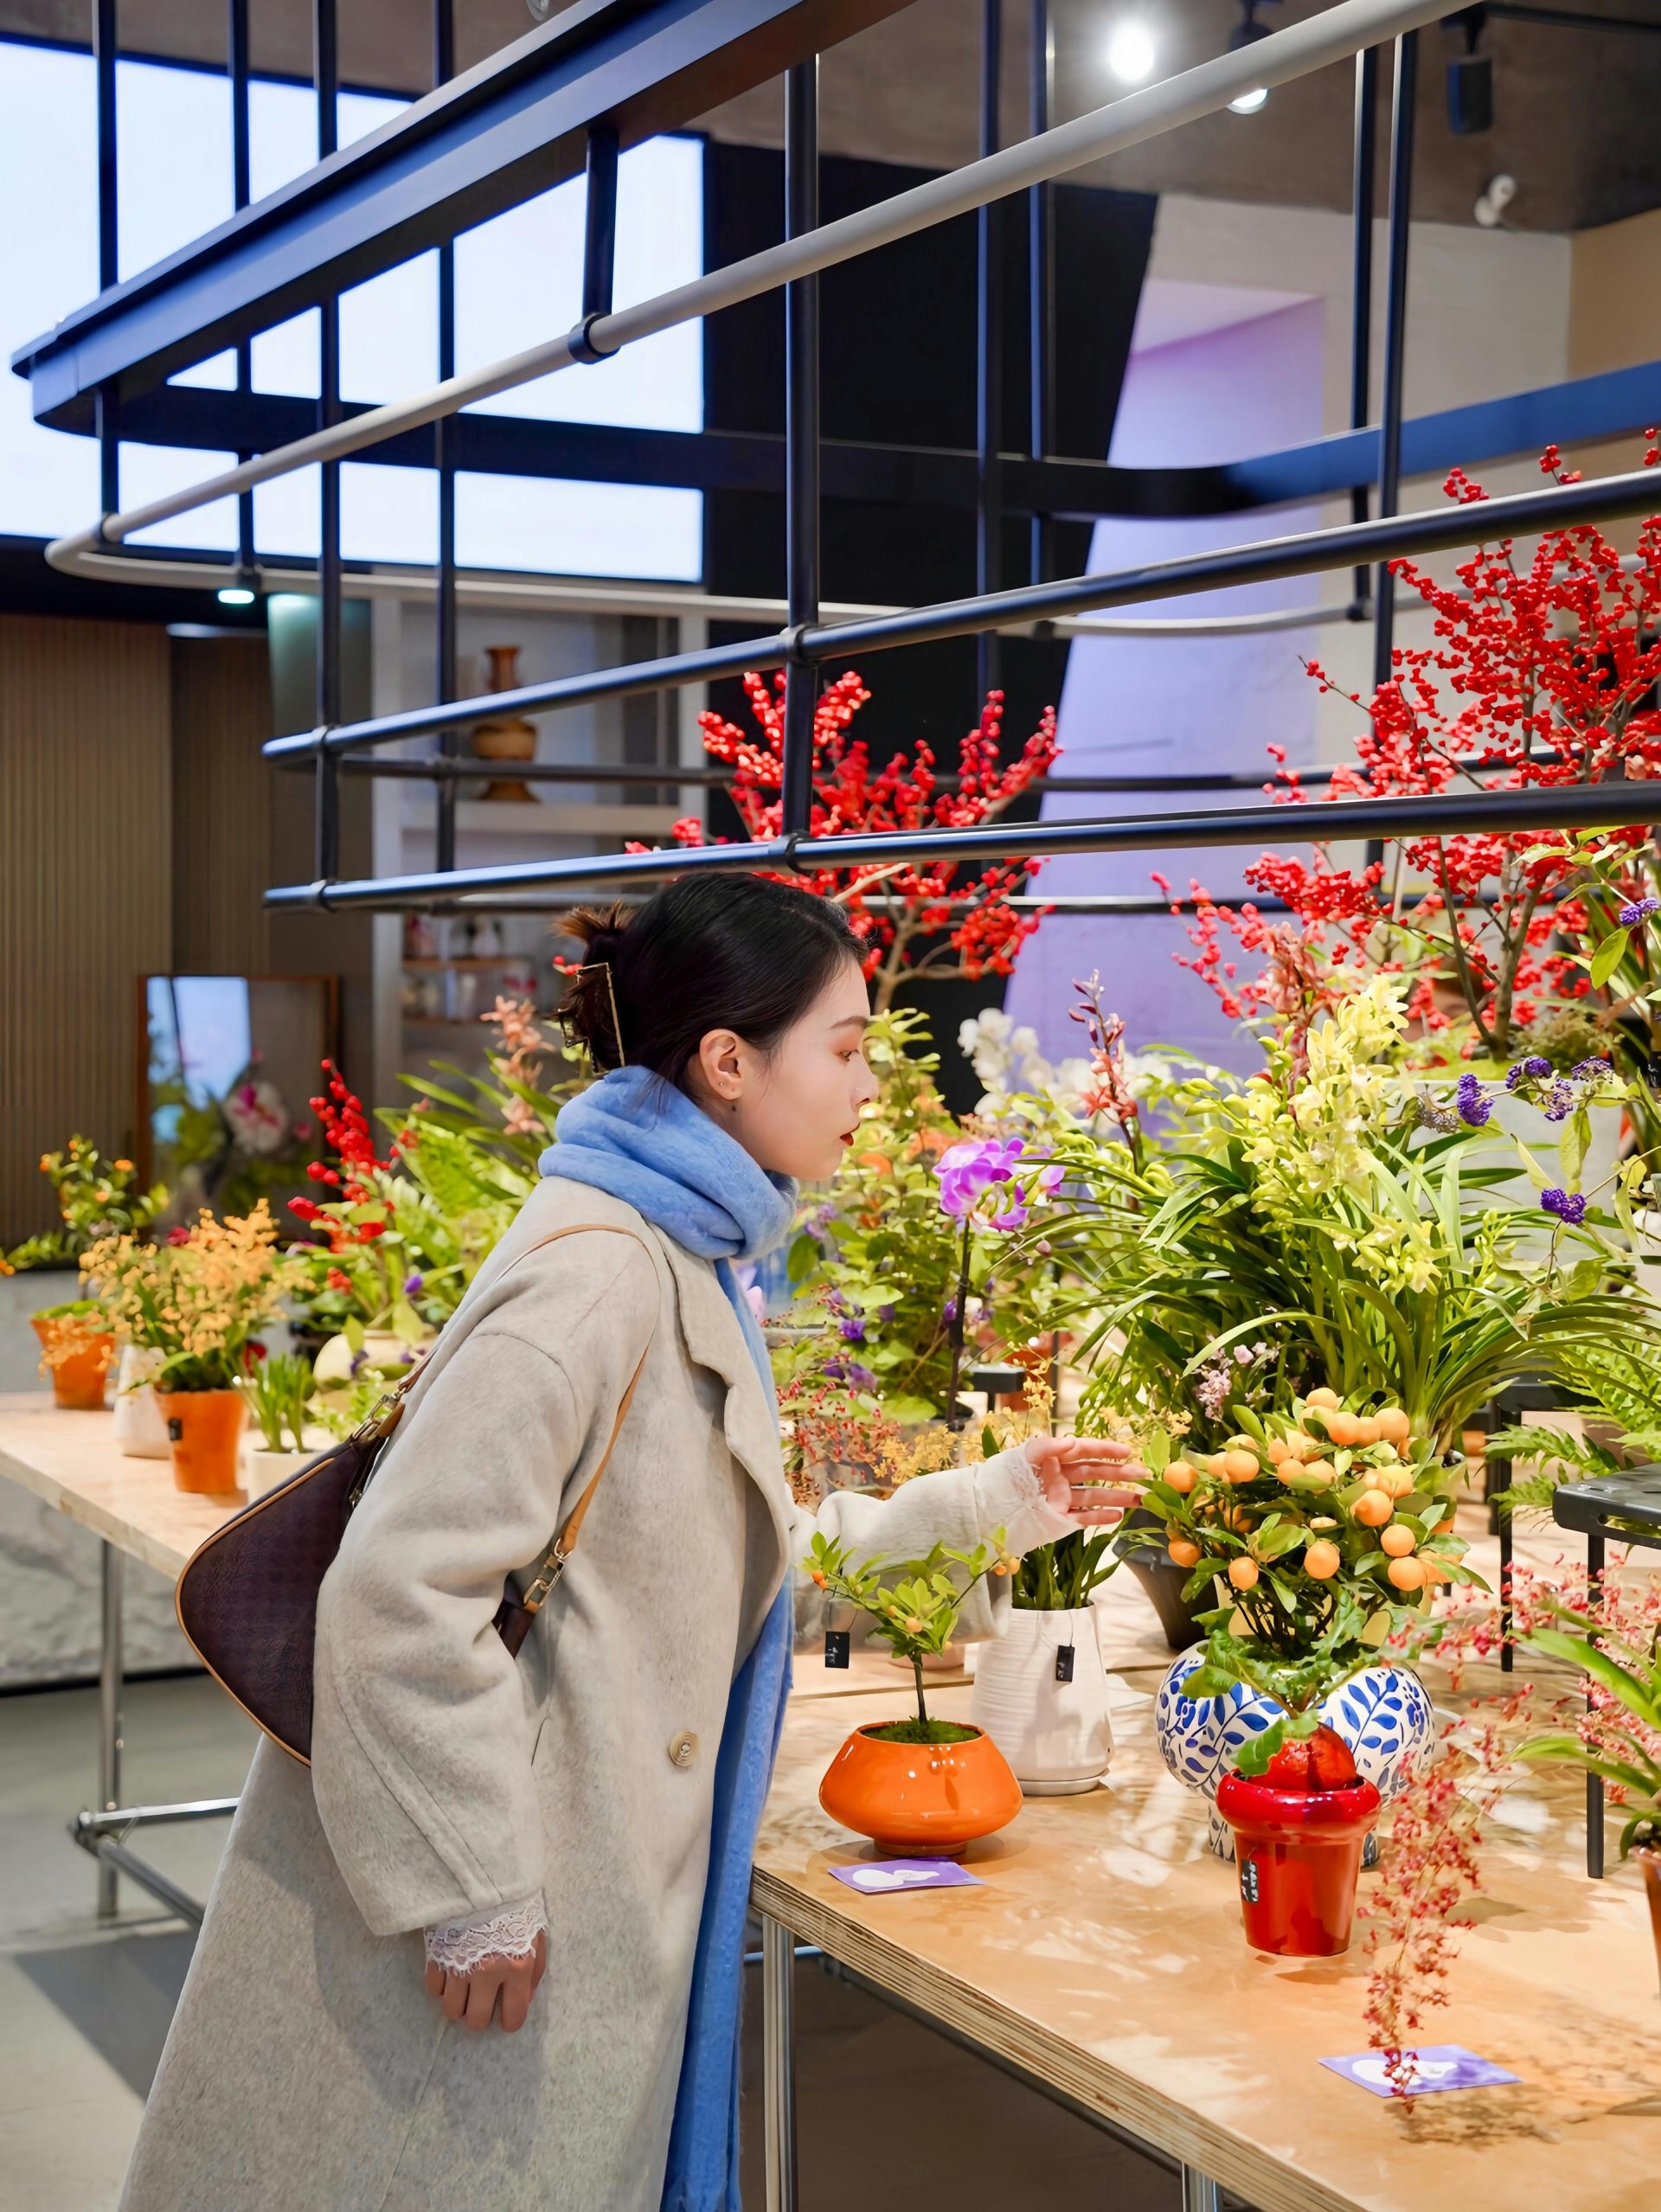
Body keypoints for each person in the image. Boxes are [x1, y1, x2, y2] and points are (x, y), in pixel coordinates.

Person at [119, 872, 1138, 2212]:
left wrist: (996, 1500)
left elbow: (710, 1558)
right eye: (843, 1048)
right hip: (511, 1910)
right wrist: (472, 1885)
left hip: (576, 1890)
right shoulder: (600, 1272)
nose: (868, 1088)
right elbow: (395, 1587)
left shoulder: (680, 1248)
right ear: (728, 1061)